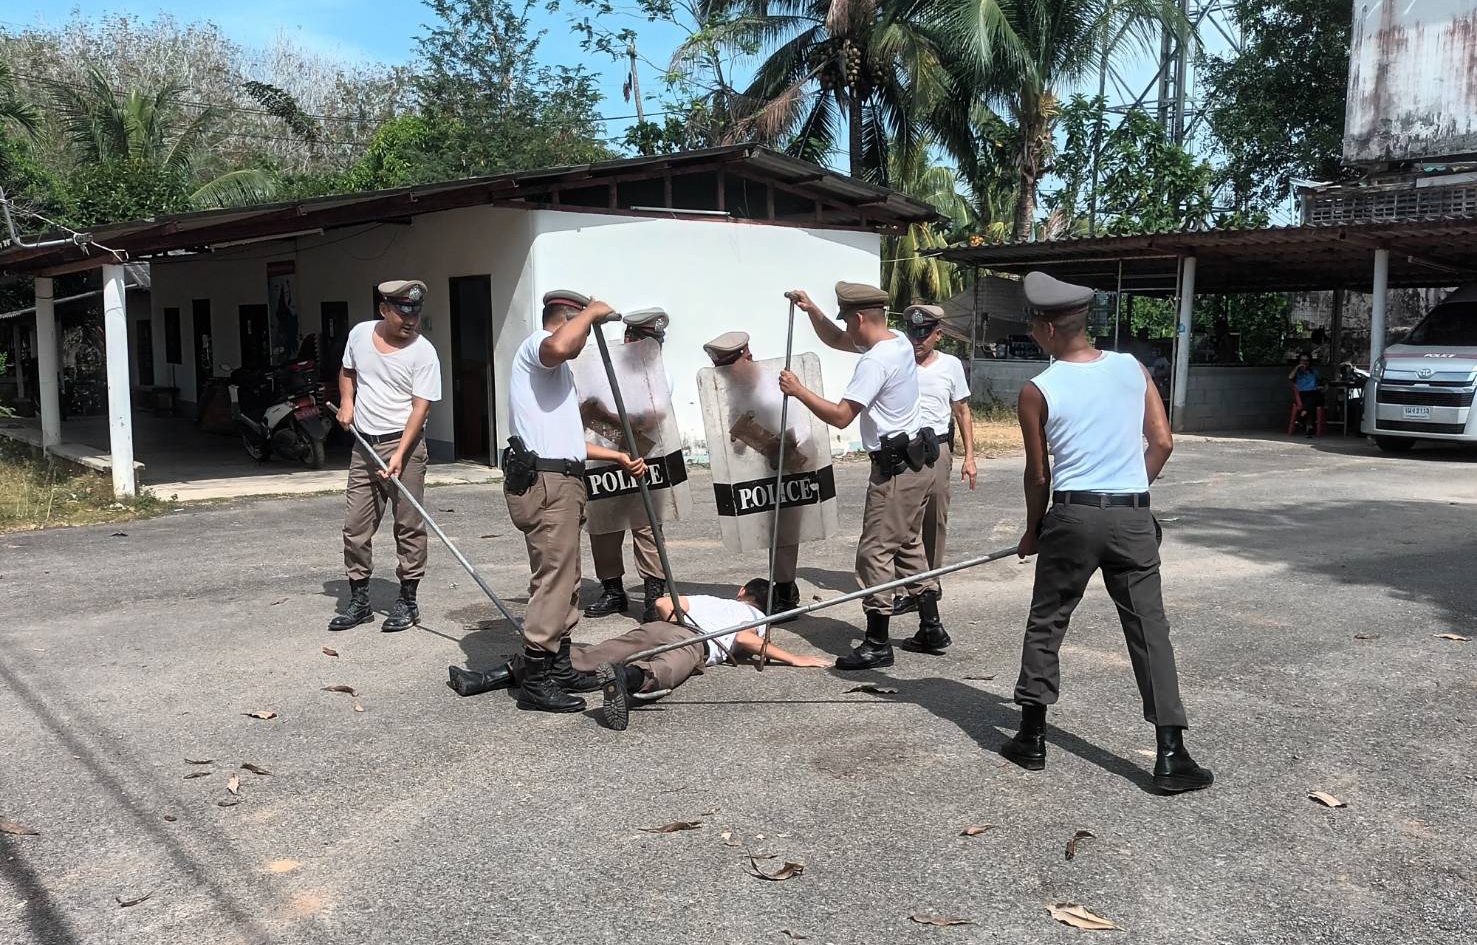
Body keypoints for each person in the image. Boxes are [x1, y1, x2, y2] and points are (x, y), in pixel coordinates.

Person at [1002, 271, 1213, 793]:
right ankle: (1171, 753)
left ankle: (1030, 737)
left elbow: (1038, 476)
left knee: (1048, 619)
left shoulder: (1038, 390)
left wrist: (1033, 531)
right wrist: (1126, 494)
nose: (1031, 331)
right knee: (1148, 628)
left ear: (1050, 327)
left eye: (1033, 323)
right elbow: (1162, 442)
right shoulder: (1131, 368)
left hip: (1072, 517)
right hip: (1131, 514)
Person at [778, 283, 943, 669]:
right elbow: (837, 339)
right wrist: (812, 310)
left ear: (859, 318)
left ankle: (877, 642)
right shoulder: (897, 340)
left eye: (848, 322)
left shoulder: (875, 362)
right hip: (918, 463)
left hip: (896, 470)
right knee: (907, 545)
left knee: (875, 553)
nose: (847, 332)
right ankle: (931, 627)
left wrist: (798, 390)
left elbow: (841, 416)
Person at [500, 289, 647, 713]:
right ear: (567, 318)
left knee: (567, 575)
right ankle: (536, 674)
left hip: (564, 478)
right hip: (547, 483)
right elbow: (561, 344)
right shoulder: (537, 347)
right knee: (554, 577)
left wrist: (614, 454)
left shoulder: (556, 376)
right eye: (581, 325)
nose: (583, 341)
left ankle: (559, 661)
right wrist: (596, 312)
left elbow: (565, 441)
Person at [446, 579, 830, 704]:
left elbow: (663, 603)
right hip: (695, 641)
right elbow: (746, 640)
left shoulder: (715, 600)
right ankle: (626, 680)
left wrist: (668, 624)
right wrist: (794, 658)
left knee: (589, 654)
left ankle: (489, 677)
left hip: (667, 626)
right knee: (667, 668)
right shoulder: (754, 618)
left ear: (742, 589)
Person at [328, 279, 442, 634]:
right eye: (402, 313)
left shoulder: (424, 353)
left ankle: (407, 600)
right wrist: (347, 403)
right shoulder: (360, 334)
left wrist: (400, 455)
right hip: (364, 446)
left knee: (408, 525)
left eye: (416, 314)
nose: (410, 321)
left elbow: (420, 408)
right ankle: (359, 600)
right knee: (355, 527)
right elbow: (348, 372)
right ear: (383, 310)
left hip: (404, 446)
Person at [701, 330, 803, 616]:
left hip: (792, 461)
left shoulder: (774, 385)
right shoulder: (736, 392)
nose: (725, 377)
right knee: (774, 531)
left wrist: (773, 444)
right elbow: (738, 444)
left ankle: (785, 593)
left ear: (746, 357)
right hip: (762, 467)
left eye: (728, 369)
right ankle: (785, 586)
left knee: (785, 530)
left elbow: (798, 427)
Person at [583, 307, 673, 622]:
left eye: (656, 342)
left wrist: (604, 413)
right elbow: (583, 407)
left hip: (644, 460)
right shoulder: (600, 367)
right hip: (603, 458)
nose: (652, 349)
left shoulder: (661, 372)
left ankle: (653, 595)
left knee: (647, 526)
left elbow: (651, 417)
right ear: (629, 337)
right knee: (603, 526)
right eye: (646, 341)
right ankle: (613, 591)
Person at [892, 305, 977, 628]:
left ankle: (931, 581)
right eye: (913, 333)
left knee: (934, 517)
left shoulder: (951, 366)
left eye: (925, 334)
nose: (918, 340)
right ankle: (911, 587)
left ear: (938, 335)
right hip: (904, 448)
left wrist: (969, 457)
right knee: (903, 521)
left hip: (938, 448)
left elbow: (963, 412)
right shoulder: (897, 362)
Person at [1289, 351, 1323, 436]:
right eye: (1302, 360)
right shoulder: (1297, 372)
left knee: (1314, 396)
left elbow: (1321, 381)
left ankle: (1301, 417)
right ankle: (1309, 425)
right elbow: (1290, 377)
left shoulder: (1314, 372)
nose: (1304, 362)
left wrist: (1322, 387)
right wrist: (1297, 368)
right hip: (1302, 395)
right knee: (1310, 402)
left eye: (1307, 360)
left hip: (1314, 393)